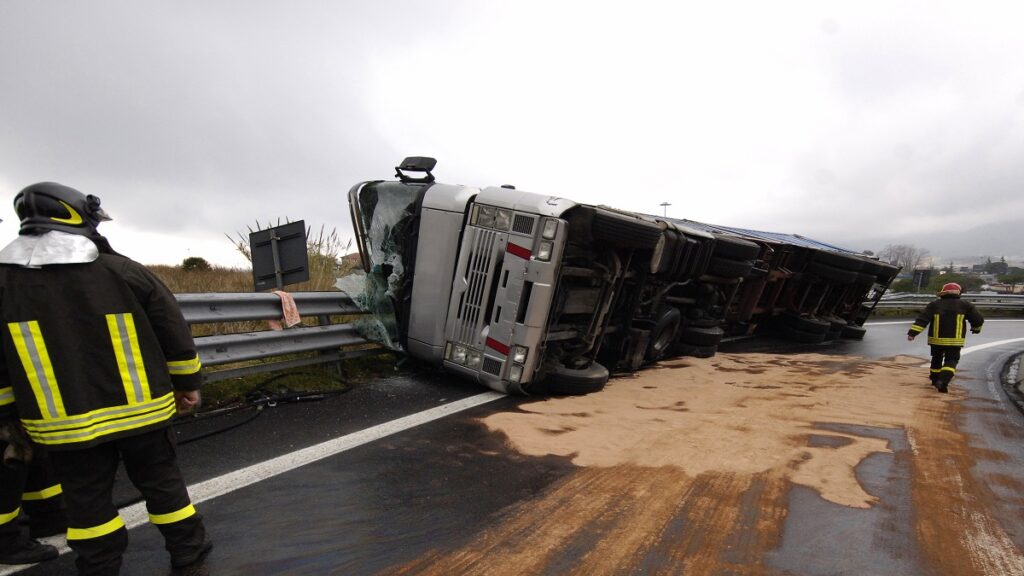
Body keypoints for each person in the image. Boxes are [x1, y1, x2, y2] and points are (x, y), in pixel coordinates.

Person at [0, 183, 211, 575]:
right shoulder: (123, 271)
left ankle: (99, 566)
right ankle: (188, 550)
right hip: (143, 414)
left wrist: (8, 415)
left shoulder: (4, 284)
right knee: (163, 486)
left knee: (86, 505)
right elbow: (174, 333)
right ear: (78, 216)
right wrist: (188, 385)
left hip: (63, 427)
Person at [906, 282, 984, 393]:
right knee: (951, 360)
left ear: (943, 293)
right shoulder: (965, 305)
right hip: (955, 341)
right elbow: (978, 319)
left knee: (936, 359)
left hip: (936, 340)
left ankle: (934, 379)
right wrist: (976, 329)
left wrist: (912, 333)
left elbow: (923, 319)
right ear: (959, 293)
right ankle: (943, 381)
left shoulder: (935, 304)